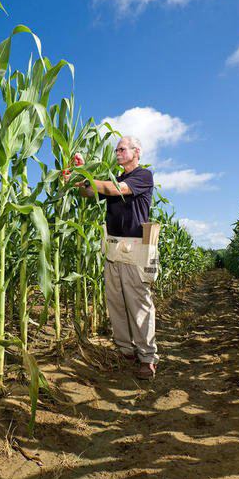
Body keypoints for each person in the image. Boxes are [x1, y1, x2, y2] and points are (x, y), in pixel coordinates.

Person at [74, 136, 158, 380]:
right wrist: (78, 173)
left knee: (138, 304)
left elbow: (114, 189)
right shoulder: (115, 179)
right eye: (117, 149)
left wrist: (89, 177)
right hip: (113, 248)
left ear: (136, 151)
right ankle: (125, 350)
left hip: (136, 248)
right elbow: (87, 192)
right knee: (116, 302)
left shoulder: (143, 176)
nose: (118, 153)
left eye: (122, 149)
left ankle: (147, 357)